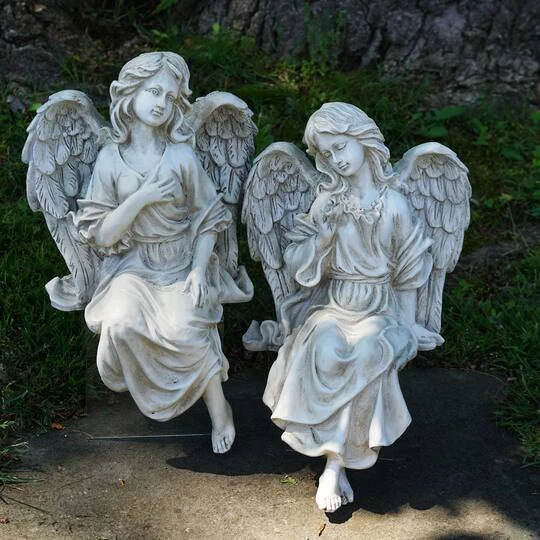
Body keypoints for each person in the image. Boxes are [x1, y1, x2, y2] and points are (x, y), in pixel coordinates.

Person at [263, 103, 442, 511]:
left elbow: (409, 272)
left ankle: (335, 465)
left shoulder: (394, 204)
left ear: (362, 139)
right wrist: (322, 240)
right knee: (323, 348)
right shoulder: (327, 203)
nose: (337, 159)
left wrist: (409, 326)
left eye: (341, 147)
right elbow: (299, 269)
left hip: (380, 311)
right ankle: (334, 454)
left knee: (368, 352)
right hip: (335, 305)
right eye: (327, 154)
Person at [76, 52, 250, 454]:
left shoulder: (181, 156)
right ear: (129, 93)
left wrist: (199, 271)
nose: (160, 103)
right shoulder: (109, 160)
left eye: (169, 98)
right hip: (132, 268)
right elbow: (102, 234)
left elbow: (209, 218)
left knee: (188, 328)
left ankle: (219, 410)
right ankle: (146, 383)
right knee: (120, 323)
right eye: (153, 91)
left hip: (181, 264)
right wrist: (142, 198)